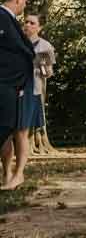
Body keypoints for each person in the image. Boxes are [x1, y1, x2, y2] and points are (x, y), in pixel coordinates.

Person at [1, 11, 53, 190]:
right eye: (26, 22)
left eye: (32, 23)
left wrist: (38, 64)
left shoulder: (44, 46)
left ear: (40, 27)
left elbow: (48, 73)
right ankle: (6, 173)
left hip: (31, 91)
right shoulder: (15, 41)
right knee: (7, 132)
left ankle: (19, 174)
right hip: (11, 90)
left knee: (21, 133)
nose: (28, 25)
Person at [0, 0, 33, 191]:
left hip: (13, 85)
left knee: (8, 126)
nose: (25, 6)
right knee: (5, 125)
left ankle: (12, 175)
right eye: (25, 1)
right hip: (5, 82)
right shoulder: (2, 18)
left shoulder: (9, 20)